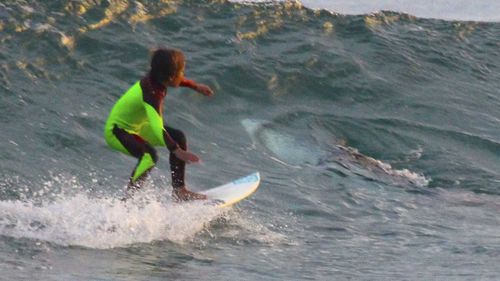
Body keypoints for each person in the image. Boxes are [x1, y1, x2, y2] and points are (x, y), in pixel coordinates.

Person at [104, 48, 214, 201]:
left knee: (178, 136)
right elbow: (157, 126)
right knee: (149, 155)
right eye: (181, 72)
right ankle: (127, 202)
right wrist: (176, 150)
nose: (183, 75)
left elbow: (177, 80)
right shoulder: (152, 94)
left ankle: (179, 191)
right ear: (170, 77)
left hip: (138, 127)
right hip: (117, 131)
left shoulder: (156, 78)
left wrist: (195, 86)